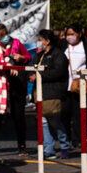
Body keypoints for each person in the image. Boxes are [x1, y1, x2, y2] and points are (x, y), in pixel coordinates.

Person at [0, 23, 30, 160]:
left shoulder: (16, 43)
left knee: (19, 116)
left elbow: (28, 57)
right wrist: (9, 66)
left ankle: (22, 146)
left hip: (16, 85)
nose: (5, 38)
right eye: (2, 36)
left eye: (6, 35)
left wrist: (20, 59)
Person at [33, 30, 70, 159]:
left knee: (55, 121)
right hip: (41, 93)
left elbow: (58, 72)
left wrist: (40, 75)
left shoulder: (58, 55)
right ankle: (49, 149)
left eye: (41, 39)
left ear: (47, 41)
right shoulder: (40, 55)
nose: (39, 42)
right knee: (43, 122)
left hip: (53, 92)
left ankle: (65, 145)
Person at [62, 25, 87, 145]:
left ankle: (77, 139)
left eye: (72, 33)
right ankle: (66, 138)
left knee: (78, 113)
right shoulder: (63, 46)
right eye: (68, 34)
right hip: (65, 84)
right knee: (65, 113)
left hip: (80, 84)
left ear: (79, 34)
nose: (70, 37)